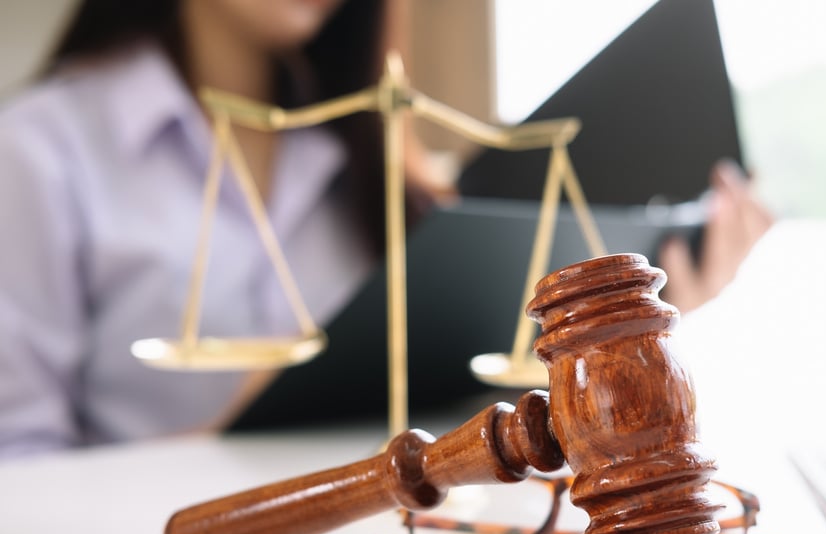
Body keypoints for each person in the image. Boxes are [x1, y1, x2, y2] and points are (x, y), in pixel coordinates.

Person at [0, 0, 770, 458]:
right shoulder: (39, 151)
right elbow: (18, 473)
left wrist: (613, 330)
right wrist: (227, 436)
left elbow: (454, 405)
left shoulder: (380, 159)